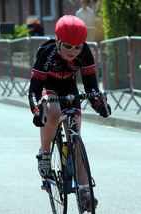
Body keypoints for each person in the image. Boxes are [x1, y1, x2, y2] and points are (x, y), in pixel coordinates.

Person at [28, 15, 111, 210]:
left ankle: (84, 190)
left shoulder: (85, 52)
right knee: (54, 113)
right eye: (67, 46)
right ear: (57, 41)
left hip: (70, 89)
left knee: (76, 134)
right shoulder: (46, 52)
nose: (73, 51)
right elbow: (34, 90)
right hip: (50, 87)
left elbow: (91, 87)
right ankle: (45, 153)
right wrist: (37, 110)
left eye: (77, 47)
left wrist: (99, 105)